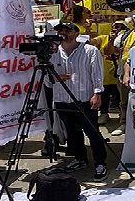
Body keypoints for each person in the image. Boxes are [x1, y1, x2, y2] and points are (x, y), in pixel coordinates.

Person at [51, 22, 107, 180]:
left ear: (76, 33)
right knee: (72, 133)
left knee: (92, 132)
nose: (63, 33)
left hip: (84, 99)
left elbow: (97, 74)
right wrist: (55, 78)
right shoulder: (53, 53)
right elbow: (47, 80)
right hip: (62, 99)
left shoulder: (90, 50)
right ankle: (80, 158)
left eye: (67, 30)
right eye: (61, 31)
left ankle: (100, 162)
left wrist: (97, 94)